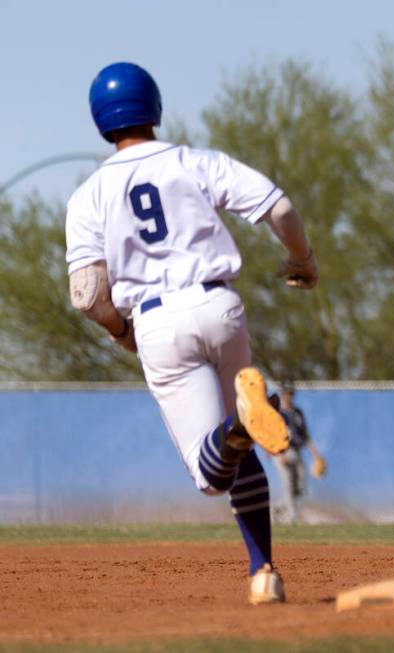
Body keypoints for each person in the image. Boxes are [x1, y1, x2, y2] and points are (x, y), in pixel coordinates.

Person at [65, 62, 319, 603]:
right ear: (154, 108)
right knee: (244, 448)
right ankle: (264, 573)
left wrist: (119, 331)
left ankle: (237, 427)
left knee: (212, 476)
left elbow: (87, 293)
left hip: (157, 320)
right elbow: (280, 207)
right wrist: (302, 259)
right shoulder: (193, 162)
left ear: (100, 121)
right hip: (220, 303)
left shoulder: (89, 195)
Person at [272, 381, 327, 524]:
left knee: (301, 486)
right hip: (283, 451)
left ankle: (277, 508)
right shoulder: (277, 412)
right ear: (282, 394)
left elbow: (306, 435)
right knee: (288, 484)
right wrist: (278, 454)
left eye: (291, 393)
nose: (289, 396)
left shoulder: (298, 412)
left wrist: (315, 454)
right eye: (287, 393)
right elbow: (271, 435)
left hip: (297, 451)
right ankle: (292, 516)